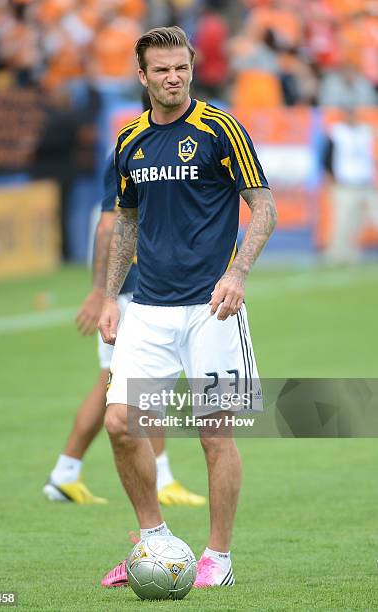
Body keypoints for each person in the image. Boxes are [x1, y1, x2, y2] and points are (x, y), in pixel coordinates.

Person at [98, 26, 277, 588]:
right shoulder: (129, 141)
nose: (174, 78)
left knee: (213, 433)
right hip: (147, 309)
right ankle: (156, 543)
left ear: (192, 68)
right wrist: (109, 296)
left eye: (182, 68)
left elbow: (264, 207)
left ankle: (217, 558)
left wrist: (238, 273)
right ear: (143, 75)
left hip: (212, 309)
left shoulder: (221, 129)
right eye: (162, 70)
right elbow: (126, 221)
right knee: (121, 423)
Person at [43, 150, 206, 507]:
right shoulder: (130, 150)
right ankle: (159, 477)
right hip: (133, 289)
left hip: (139, 287)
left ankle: (65, 473)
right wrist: (102, 290)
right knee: (138, 383)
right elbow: (108, 224)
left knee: (119, 381)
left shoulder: (137, 146)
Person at [323, 106, 378, 264]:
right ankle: (337, 255)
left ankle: (351, 253)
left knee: (361, 221)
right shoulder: (337, 132)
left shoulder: (364, 131)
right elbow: (327, 156)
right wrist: (331, 176)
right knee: (343, 221)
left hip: (366, 183)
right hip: (345, 183)